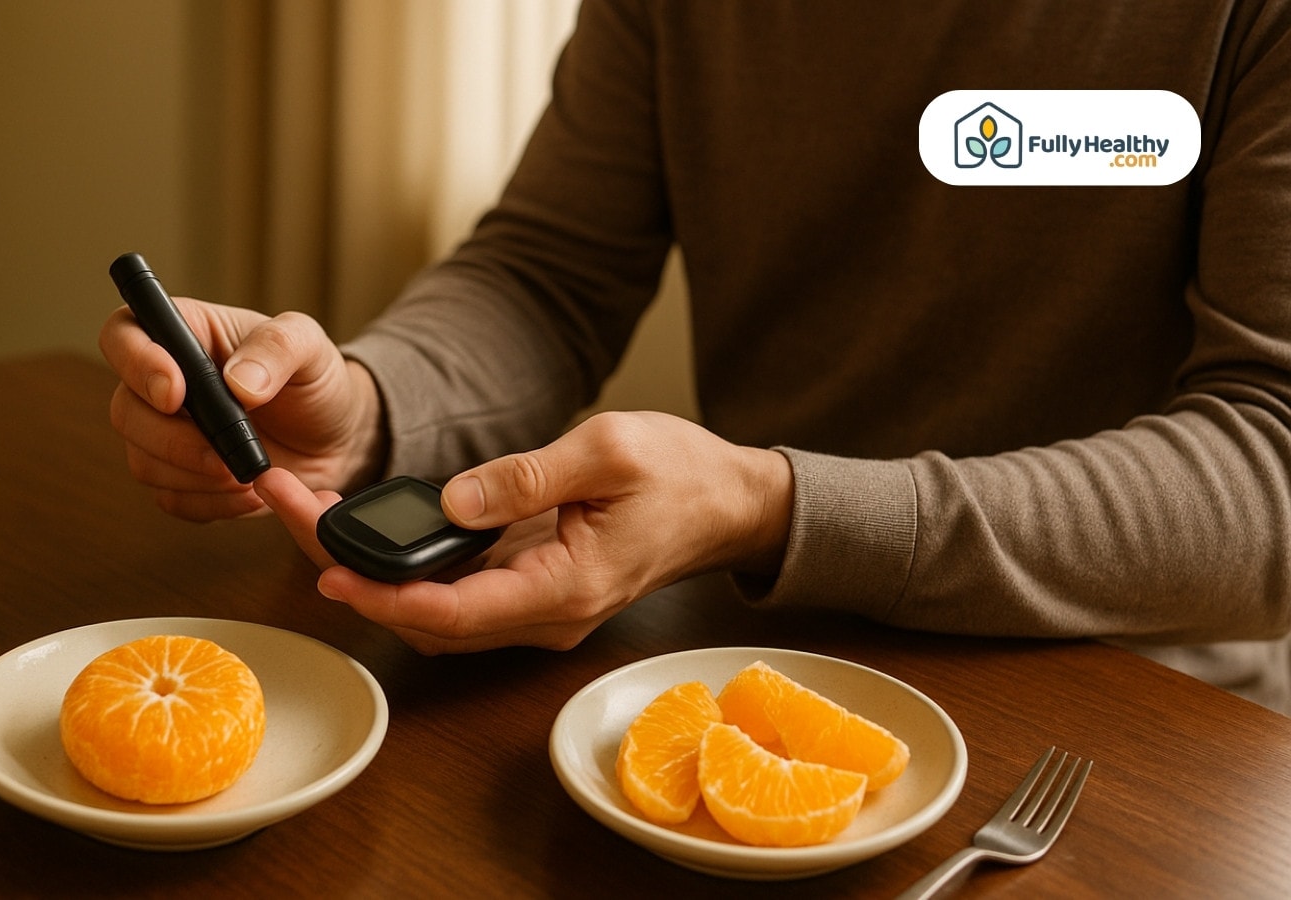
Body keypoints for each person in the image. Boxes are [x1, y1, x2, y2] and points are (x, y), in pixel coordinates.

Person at [101, 1, 1291, 711]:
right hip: (758, 666)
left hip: (1139, 710)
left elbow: (1271, 466)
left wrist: (774, 508)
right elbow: (550, 270)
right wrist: (372, 406)